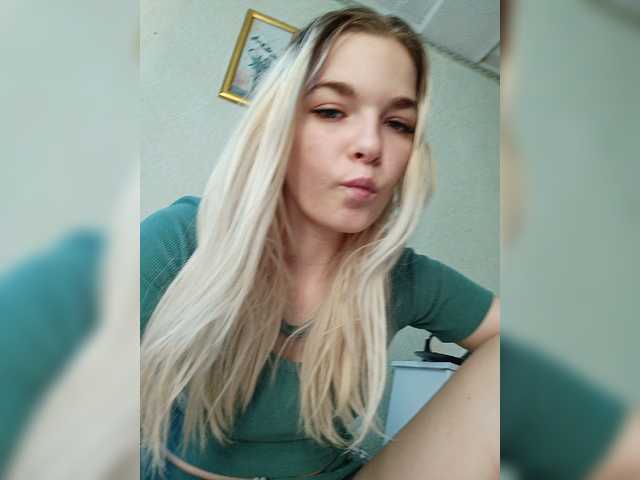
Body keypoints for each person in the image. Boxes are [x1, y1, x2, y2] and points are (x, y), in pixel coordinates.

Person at [140, 7, 500, 480]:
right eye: (330, 111)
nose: (371, 145)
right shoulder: (181, 240)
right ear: (279, 126)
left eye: (398, 124)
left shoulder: (403, 277)